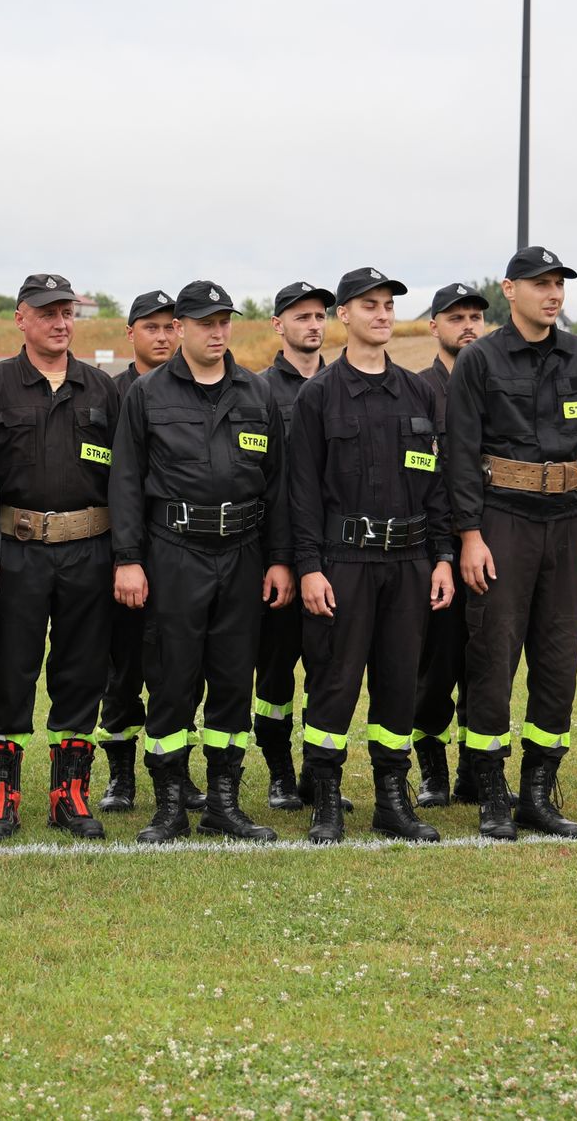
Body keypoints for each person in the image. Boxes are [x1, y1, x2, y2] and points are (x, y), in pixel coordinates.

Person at [110, 280, 292, 845]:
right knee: (171, 678)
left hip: (243, 552)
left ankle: (223, 804)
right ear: (180, 328)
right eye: (205, 323)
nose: (217, 332)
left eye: (224, 322)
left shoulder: (256, 392)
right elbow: (126, 482)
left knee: (234, 680)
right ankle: (169, 806)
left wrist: (280, 559)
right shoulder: (148, 394)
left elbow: (278, 485)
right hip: (175, 552)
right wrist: (127, 559)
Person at [445, 246, 577, 841]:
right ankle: (492, 792)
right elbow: (461, 454)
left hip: (568, 525)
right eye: (541, 284)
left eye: (559, 284)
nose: (553, 294)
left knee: (558, 661)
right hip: (503, 523)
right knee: (492, 659)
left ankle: (538, 793)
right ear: (509, 289)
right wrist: (469, 535)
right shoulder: (480, 360)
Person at [286, 268, 452, 843]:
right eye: (369, 305)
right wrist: (309, 568)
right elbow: (302, 493)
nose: (382, 315)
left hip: (408, 562)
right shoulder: (318, 395)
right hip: (343, 562)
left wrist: (443, 556)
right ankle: (325, 800)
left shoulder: (418, 392)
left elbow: (435, 485)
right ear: (344, 315)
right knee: (334, 684)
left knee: (400, 682)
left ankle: (392, 800)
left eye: (388, 306)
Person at [0, 273, 121, 841]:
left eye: (67, 313)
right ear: (21, 319)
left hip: (89, 552)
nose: (60, 323)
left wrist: (125, 556)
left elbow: (124, 480)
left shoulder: (102, 389)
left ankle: (69, 795)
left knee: (82, 674)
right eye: (48, 313)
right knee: (10, 672)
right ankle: (2, 796)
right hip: (17, 551)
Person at [96, 288, 181, 812]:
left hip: (181, 555)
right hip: (126, 554)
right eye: (152, 327)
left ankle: (177, 775)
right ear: (131, 333)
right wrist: (120, 556)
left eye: (171, 326)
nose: (163, 336)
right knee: (123, 669)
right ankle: (121, 776)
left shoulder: (191, 390)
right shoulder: (111, 395)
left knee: (179, 668)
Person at [253, 281, 333, 811]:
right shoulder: (258, 391)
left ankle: (317, 776)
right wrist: (279, 558)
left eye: (320, 316)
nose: (313, 324)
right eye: (302, 316)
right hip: (277, 559)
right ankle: (279, 773)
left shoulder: (343, 385)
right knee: (276, 672)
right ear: (278, 325)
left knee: (330, 672)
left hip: (337, 556)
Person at [411, 282, 489, 807]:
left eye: (475, 317)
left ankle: (475, 771)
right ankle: (433, 770)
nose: (467, 326)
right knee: (434, 667)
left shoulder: (496, 386)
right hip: (434, 549)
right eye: (456, 317)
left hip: (490, 544)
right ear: (434, 325)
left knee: (484, 664)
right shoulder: (416, 390)